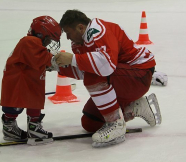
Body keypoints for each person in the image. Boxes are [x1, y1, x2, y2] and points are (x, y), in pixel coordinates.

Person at [54, 9, 162, 148]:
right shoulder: (79, 42)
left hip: (140, 74)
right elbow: (83, 71)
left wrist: (73, 59)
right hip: (124, 77)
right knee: (90, 122)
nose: (68, 38)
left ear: (80, 27)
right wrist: (57, 66)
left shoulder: (98, 32)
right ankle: (134, 107)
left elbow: (106, 67)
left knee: (95, 75)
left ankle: (115, 123)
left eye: (68, 32)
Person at [0, 16, 61, 145]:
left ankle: (34, 127)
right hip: (17, 81)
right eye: (49, 38)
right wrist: (60, 61)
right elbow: (44, 58)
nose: (50, 42)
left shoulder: (35, 43)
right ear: (40, 33)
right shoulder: (29, 41)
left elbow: (39, 60)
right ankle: (9, 127)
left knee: (35, 98)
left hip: (29, 78)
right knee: (15, 103)